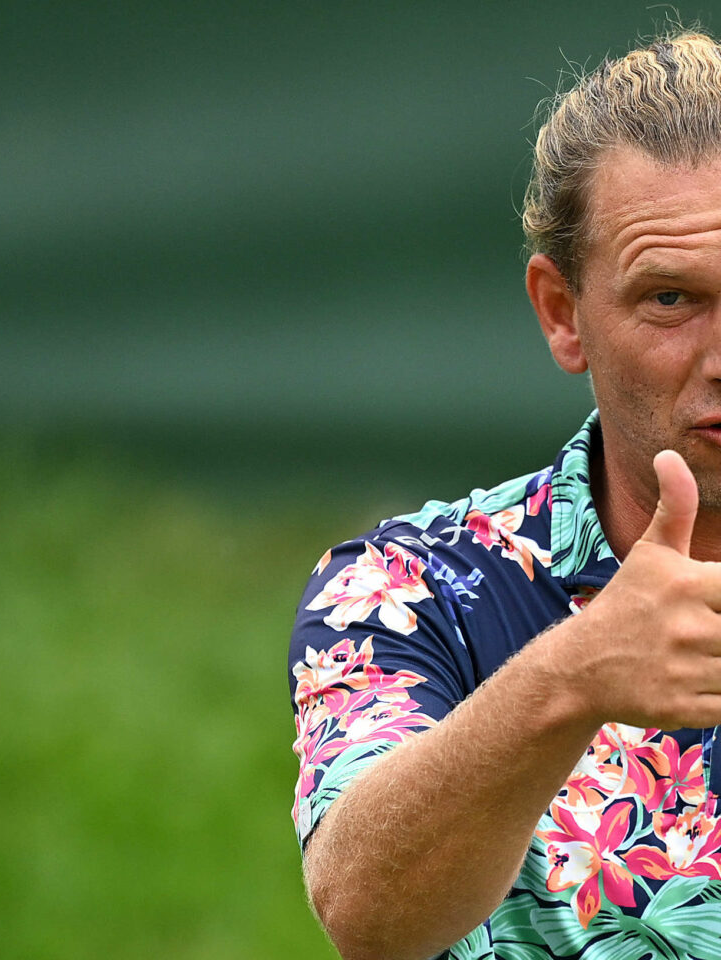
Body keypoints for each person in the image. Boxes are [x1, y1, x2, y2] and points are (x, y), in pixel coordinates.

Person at [288, 30, 721, 960]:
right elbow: (368, 914)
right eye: (672, 300)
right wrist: (575, 677)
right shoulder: (409, 588)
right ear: (563, 315)